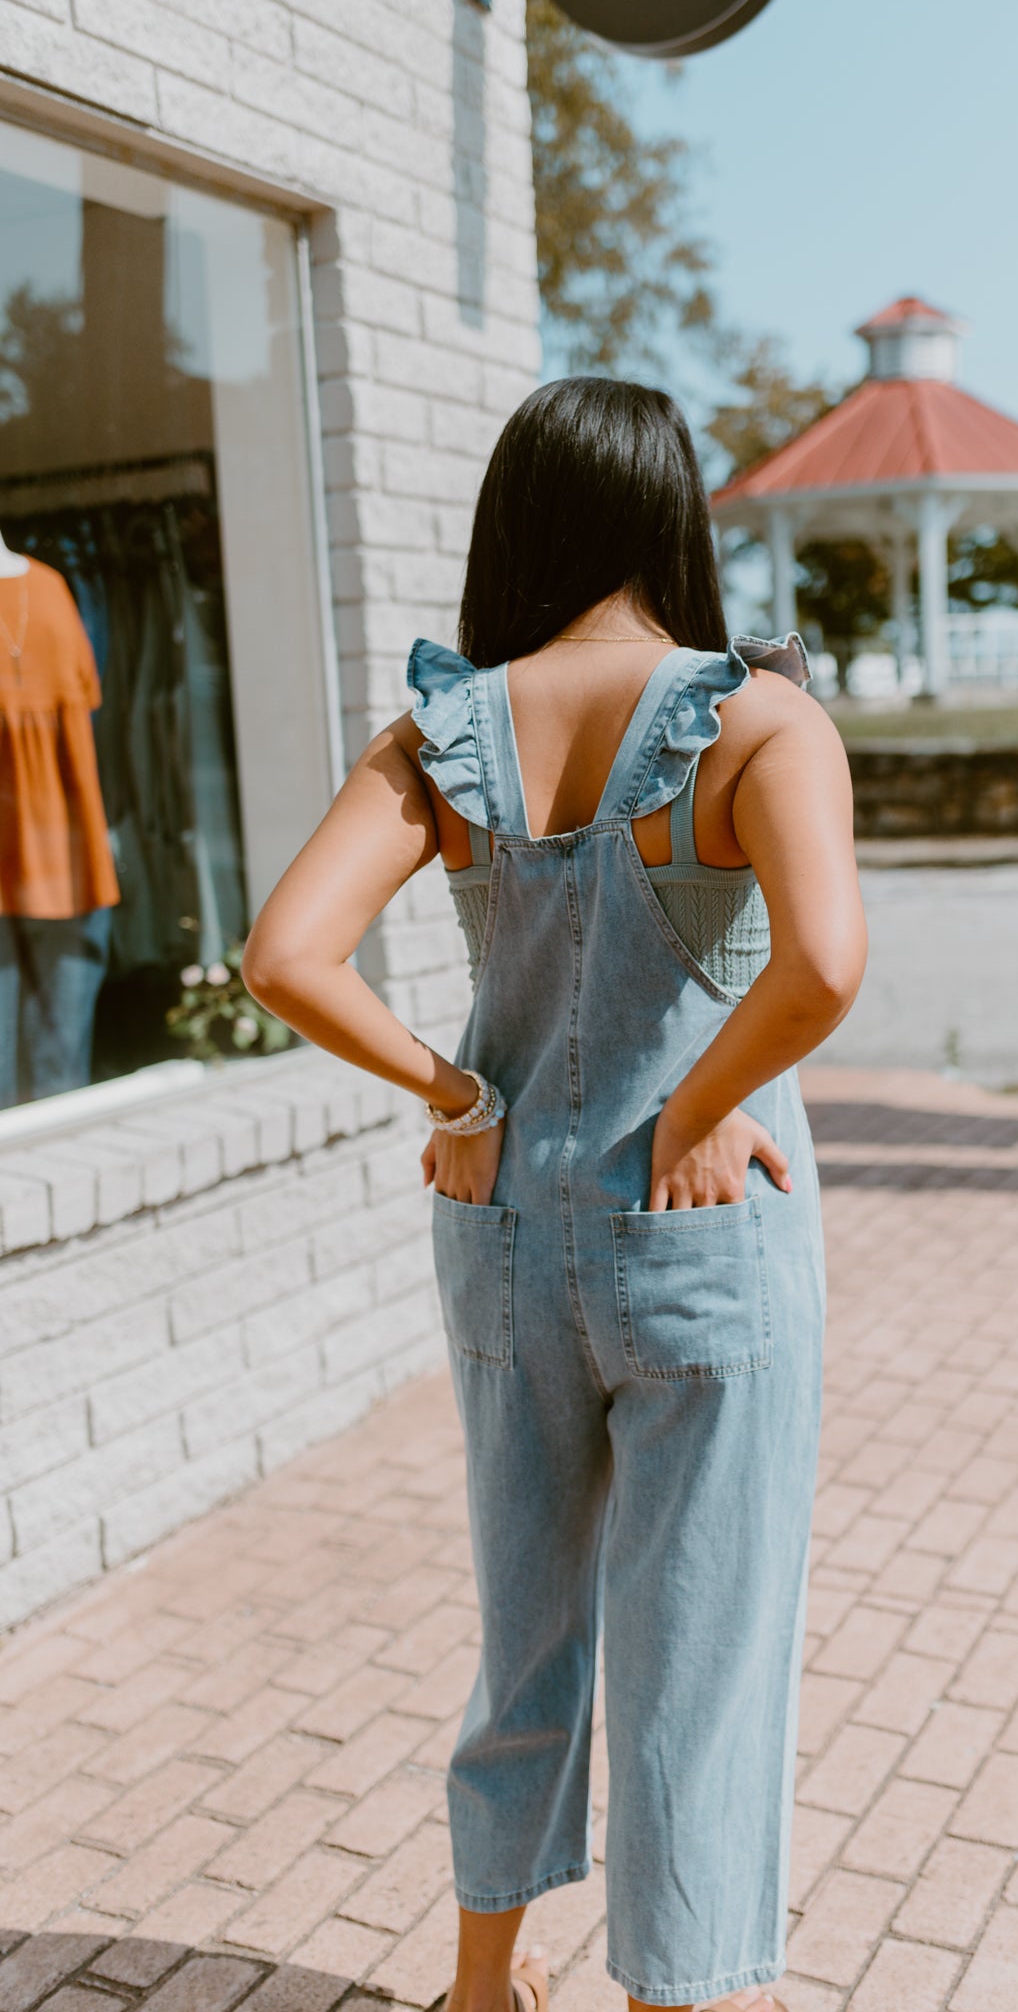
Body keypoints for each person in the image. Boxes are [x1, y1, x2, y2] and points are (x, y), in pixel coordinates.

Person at [243, 378, 867, 2012]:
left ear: (512, 521)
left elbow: (284, 959)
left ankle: (476, 1991)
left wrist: (459, 1092)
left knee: (526, 1633)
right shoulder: (761, 720)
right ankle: (674, 1993)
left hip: (507, 1237)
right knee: (699, 1664)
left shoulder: (444, 735)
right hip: (703, 1245)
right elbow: (821, 964)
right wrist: (708, 1107)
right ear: (676, 520)